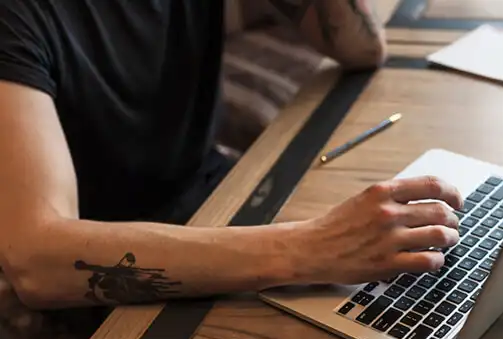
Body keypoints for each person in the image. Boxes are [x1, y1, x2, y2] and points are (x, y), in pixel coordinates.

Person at [0, 0, 463, 319]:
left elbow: (360, 47)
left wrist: (313, 248)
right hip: (105, 278)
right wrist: (309, 249)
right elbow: (35, 261)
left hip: (218, 198)